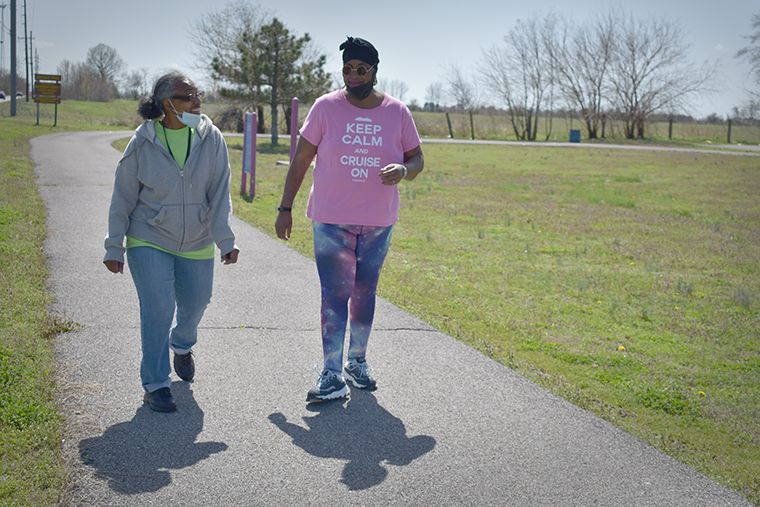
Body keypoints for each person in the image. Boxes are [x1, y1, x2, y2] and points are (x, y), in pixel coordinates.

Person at [275, 37, 424, 402]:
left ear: (374, 70)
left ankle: (357, 362)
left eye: (361, 69)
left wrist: (404, 169)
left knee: (364, 292)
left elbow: (418, 159)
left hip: (377, 222)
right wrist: (285, 207)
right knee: (334, 293)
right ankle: (331, 373)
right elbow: (300, 159)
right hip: (331, 220)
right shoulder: (325, 107)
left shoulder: (397, 112)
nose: (353, 75)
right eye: (347, 69)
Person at [104, 71, 239, 412]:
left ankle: (182, 344)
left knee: (197, 303)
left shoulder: (211, 138)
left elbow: (220, 193)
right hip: (148, 235)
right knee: (157, 309)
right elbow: (122, 196)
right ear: (167, 104)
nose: (198, 101)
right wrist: (114, 245)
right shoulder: (143, 141)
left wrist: (225, 239)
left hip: (197, 238)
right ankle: (156, 383)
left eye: (198, 95)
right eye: (189, 96)